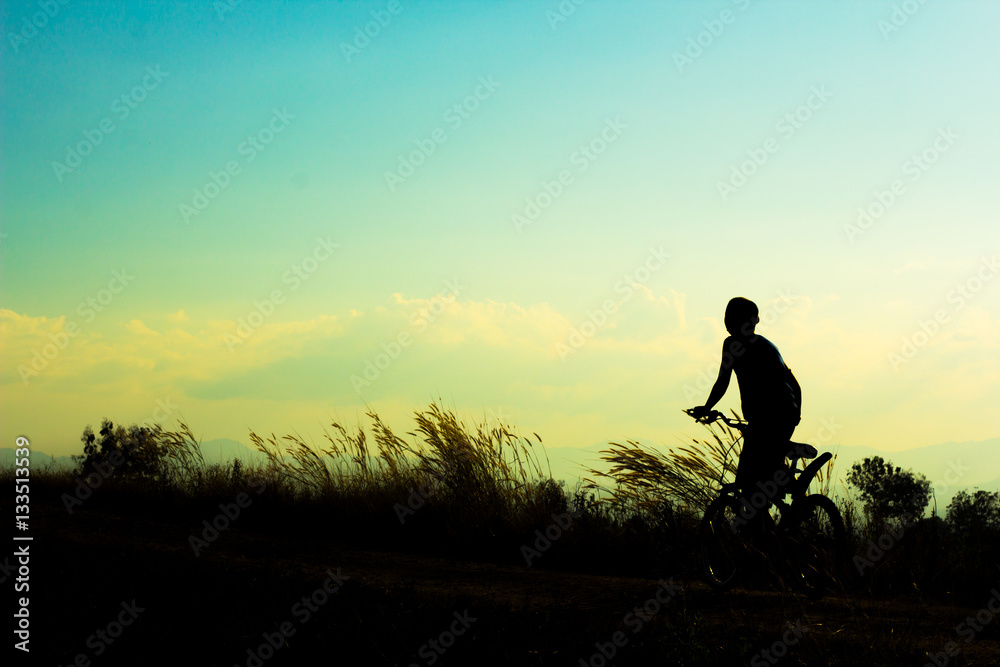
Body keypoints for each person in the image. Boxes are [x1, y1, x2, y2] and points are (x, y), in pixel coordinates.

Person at [690, 297, 802, 532]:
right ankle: (775, 527)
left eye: (730, 318)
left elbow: (723, 381)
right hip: (784, 415)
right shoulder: (769, 347)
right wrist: (795, 416)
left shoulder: (732, 345)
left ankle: (768, 537)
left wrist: (707, 407)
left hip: (767, 418)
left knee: (748, 483)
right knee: (761, 481)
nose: (727, 323)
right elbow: (795, 384)